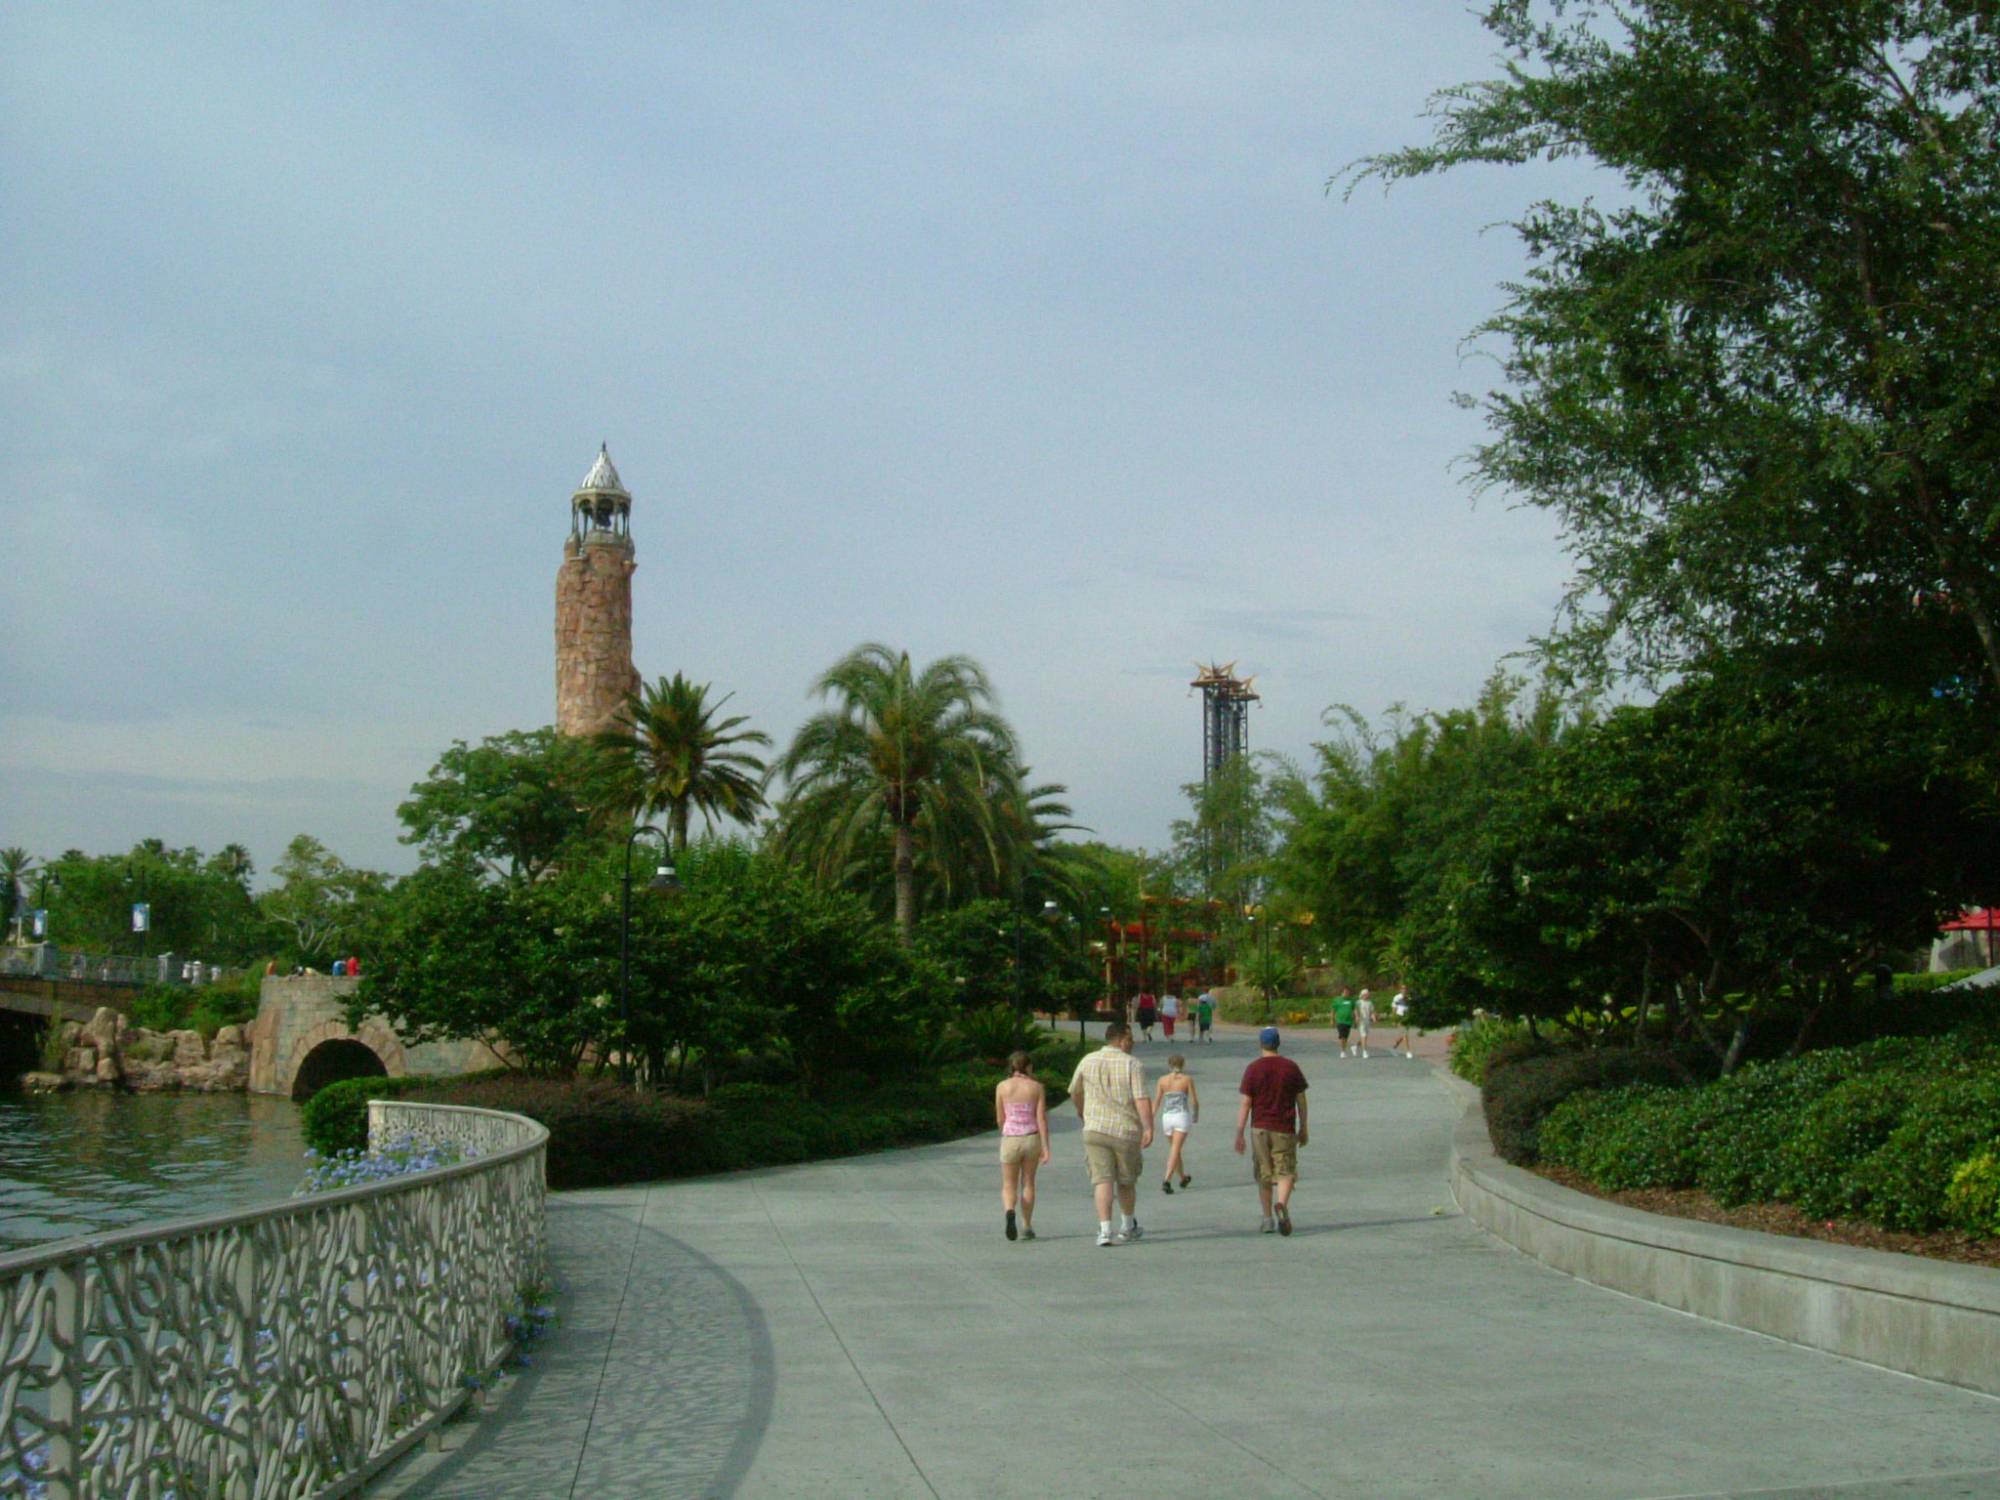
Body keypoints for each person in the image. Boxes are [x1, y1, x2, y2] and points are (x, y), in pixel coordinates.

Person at [1068, 1021, 1154, 1246]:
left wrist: (1082, 1111)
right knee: (1126, 1180)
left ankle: (1105, 1230)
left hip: (1095, 1128)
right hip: (1125, 1130)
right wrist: (1149, 1127)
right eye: (1130, 1038)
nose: (1133, 1042)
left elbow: (1074, 1090)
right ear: (1119, 1040)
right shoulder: (1132, 1065)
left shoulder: (1088, 1060)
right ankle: (1127, 1226)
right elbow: (1141, 1099)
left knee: (1102, 1180)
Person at [1234, 1026, 1309, 1235]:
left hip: (1259, 1128)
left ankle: (1267, 1219)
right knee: (1285, 1171)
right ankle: (1282, 1204)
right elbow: (1301, 1099)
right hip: (1284, 1127)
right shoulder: (1290, 1067)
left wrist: (1239, 1132)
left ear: (1261, 1044)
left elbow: (1246, 1102)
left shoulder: (1253, 1068)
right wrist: (1303, 1127)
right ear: (1278, 1043)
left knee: (1264, 1174)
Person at [995, 1050, 1050, 1241]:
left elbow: (1000, 1118)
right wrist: (1045, 1146)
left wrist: (1007, 1129)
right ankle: (1026, 1225)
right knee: (1028, 1182)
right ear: (1028, 1067)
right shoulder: (1036, 1087)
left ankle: (1010, 1211)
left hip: (1010, 1137)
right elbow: (1041, 1118)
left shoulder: (1002, 1087)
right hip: (1031, 1137)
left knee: (1009, 1184)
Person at [1153, 1054, 1199, 1193]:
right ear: (1183, 1065)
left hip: (1167, 1117)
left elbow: (1156, 1101)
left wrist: (1151, 1117)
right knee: (1175, 1149)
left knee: (1175, 1149)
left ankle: (1183, 1177)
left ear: (1169, 1065)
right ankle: (1166, 1179)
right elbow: (1194, 1100)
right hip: (1181, 1116)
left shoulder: (1162, 1080)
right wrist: (1196, 1114)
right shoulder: (1186, 1079)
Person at [1332, 987, 1357, 1058]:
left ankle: (1344, 1049)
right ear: (1342, 992)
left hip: (1348, 1021)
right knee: (1342, 1036)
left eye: (1348, 992)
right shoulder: (1337, 1000)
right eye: (1345, 992)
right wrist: (1332, 1019)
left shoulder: (1351, 1001)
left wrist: (1355, 1020)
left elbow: (1354, 1011)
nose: (1347, 993)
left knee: (1346, 1037)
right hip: (1340, 1020)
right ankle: (1342, 1051)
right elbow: (1333, 1010)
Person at [1391, 986, 1414, 1059]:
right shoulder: (1397, 997)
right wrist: (1394, 1020)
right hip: (1399, 1017)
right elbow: (1394, 1009)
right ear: (1400, 990)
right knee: (1405, 1034)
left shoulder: (1409, 997)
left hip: (1406, 1017)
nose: (1404, 990)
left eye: (1405, 988)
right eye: (1402, 988)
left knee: (1403, 1035)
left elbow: (1410, 1008)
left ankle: (1394, 1047)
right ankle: (1408, 1051)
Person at [1355, 988, 1376, 1059]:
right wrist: (1357, 1017)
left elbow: (1372, 1012)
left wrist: (1373, 1018)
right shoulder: (1358, 1002)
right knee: (1364, 1036)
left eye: (1368, 994)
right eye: (1366, 994)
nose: (1368, 995)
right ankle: (1364, 1052)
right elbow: (1356, 1010)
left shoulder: (1370, 1003)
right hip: (1361, 1021)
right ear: (1363, 995)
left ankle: (1355, 1047)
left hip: (1367, 1021)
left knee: (1364, 1036)